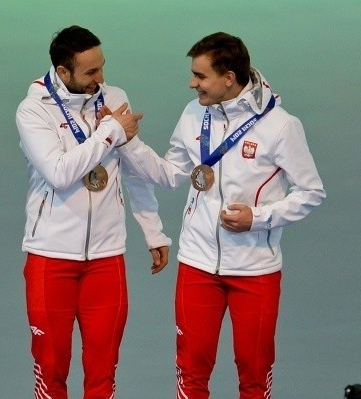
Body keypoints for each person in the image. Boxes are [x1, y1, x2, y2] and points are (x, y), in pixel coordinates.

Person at [117, 32, 325, 398]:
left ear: (229, 77)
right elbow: (170, 176)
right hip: (197, 263)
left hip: (255, 269)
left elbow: (311, 192)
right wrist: (128, 142)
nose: (191, 82)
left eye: (200, 75)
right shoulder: (193, 113)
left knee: (254, 372)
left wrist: (258, 218)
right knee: (191, 369)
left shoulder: (280, 126)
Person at [15, 25, 172, 399]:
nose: (100, 79)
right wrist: (110, 132)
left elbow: (133, 171)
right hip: (51, 256)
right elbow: (60, 172)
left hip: (106, 256)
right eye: (90, 72)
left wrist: (153, 230)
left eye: (102, 68)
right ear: (62, 71)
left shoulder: (114, 97)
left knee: (103, 371)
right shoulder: (33, 110)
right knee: (51, 369)